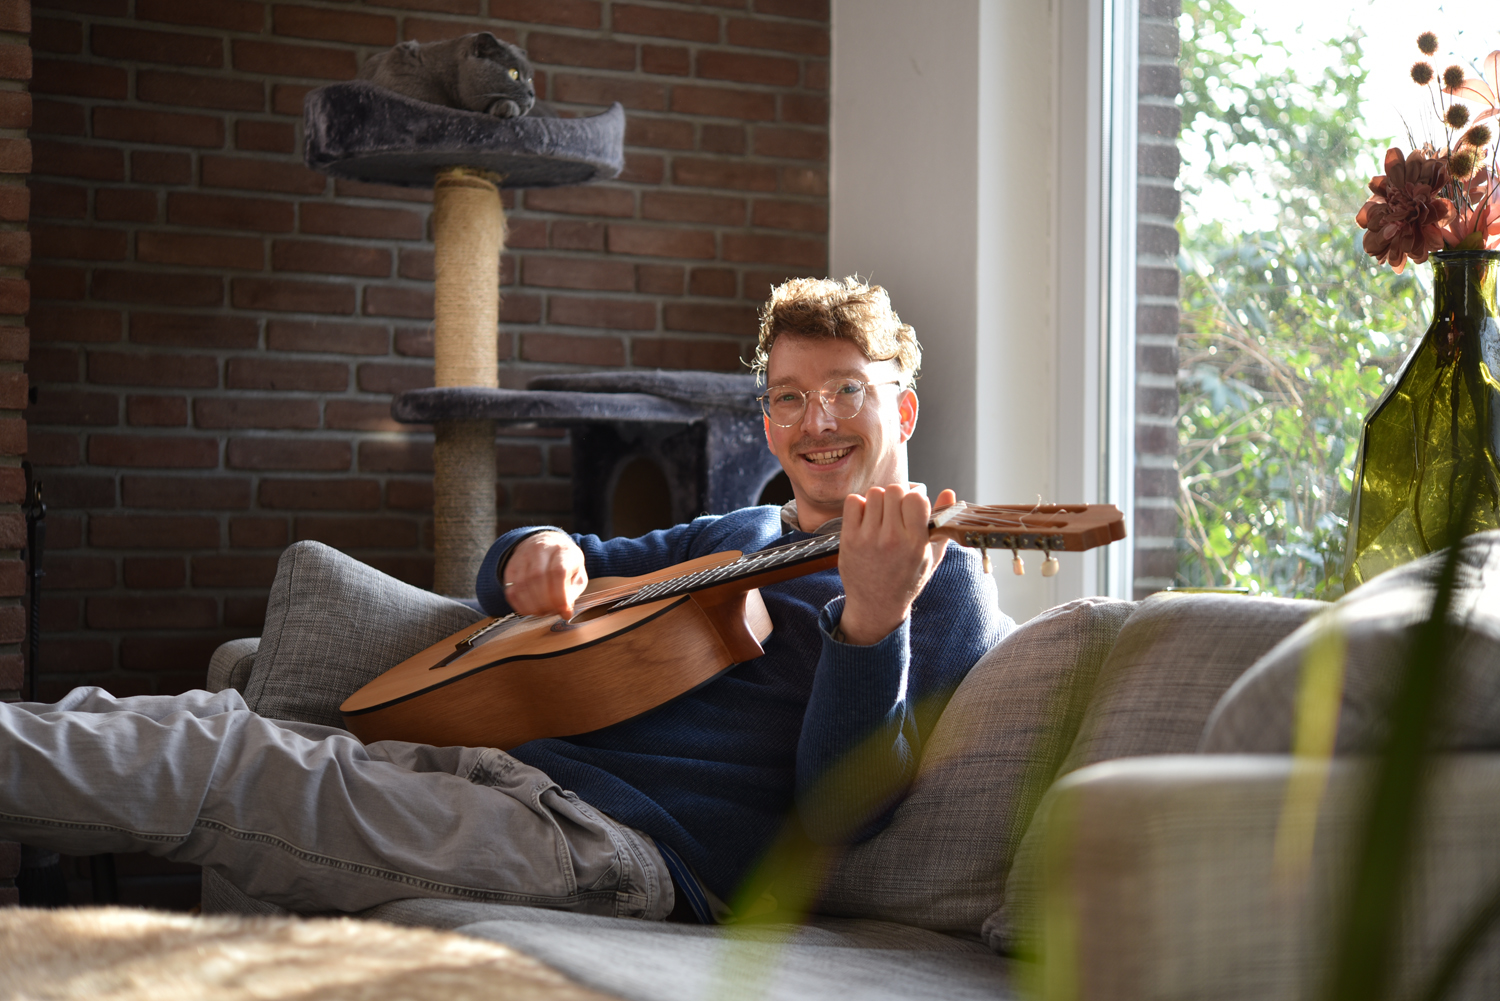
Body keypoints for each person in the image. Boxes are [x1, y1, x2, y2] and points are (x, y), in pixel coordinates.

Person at [0, 277, 1011, 922]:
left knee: (228, 766)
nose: (815, 419)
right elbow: (551, 560)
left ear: (903, 406)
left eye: (845, 389)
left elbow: (847, 809)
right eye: (788, 394)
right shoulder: (734, 530)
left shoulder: (942, 571)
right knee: (211, 718)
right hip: (498, 763)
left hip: (620, 846)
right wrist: (538, 552)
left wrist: (871, 624)